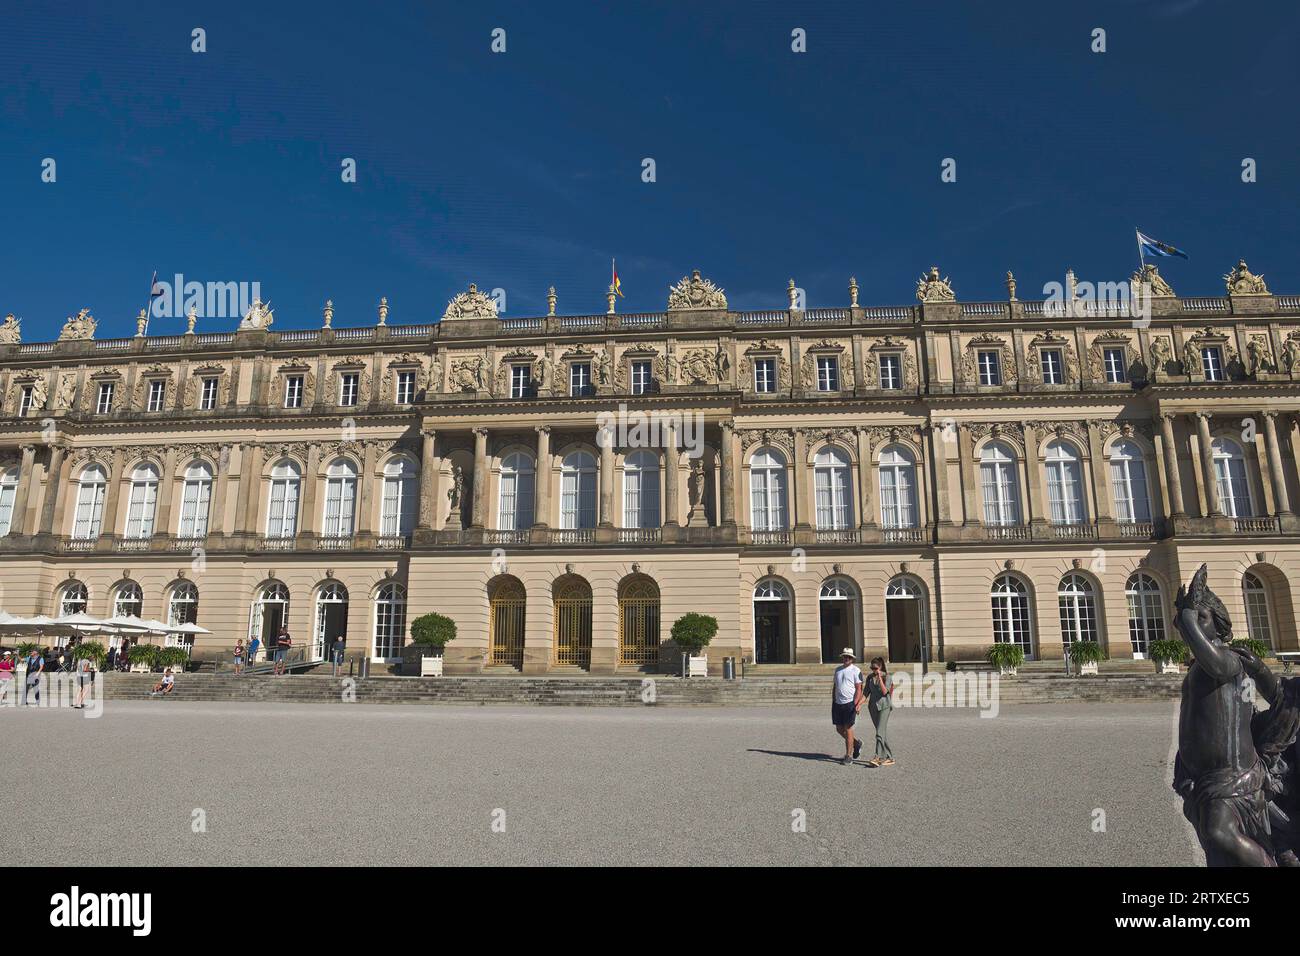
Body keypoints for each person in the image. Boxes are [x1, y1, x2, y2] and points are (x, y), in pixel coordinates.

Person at [831, 648, 864, 766]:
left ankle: (848, 755)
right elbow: (835, 685)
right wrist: (833, 699)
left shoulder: (856, 670)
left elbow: (859, 688)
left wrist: (856, 703)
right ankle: (856, 743)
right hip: (837, 703)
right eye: (845, 656)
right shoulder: (838, 670)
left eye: (848, 657)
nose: (846, 659)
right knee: (839, 729)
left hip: (850, 703)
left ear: (852, 659)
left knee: (848, 729)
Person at [865, 657, 895, 767]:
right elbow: (865, 693)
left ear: (880, 667)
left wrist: (880, 678)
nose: (873, 670)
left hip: (884, 706)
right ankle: (889, 757)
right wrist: (858, 705)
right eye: (871, 668)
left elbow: (884, 691)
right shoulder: (869, 678)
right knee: (881, 732)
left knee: (879, 732)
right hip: (873, 707)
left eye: (875, 668)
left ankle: (877, 757)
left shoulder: (887, 677)